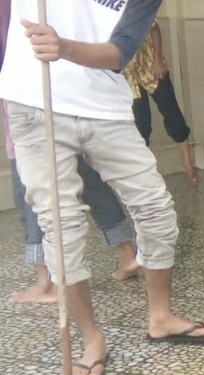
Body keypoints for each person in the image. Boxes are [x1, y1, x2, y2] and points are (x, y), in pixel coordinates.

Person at [0, 0, 204, 375]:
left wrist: (63, 46)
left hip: (106, 108)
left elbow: (119, 52)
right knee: (62, 225)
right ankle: (91, 339)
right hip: (37, 102)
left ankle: (161, 317)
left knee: (155, 209)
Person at [4, 105, 142, 304]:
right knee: (92, 186)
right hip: (69, 125)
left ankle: (48, 283)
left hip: (29, 133)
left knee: (32, 198)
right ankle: (127, 254)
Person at [122, 20, 202, 184]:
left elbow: (154, 28)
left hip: (150, 64)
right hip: (128, 75)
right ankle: (144, 173)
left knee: (172, 113)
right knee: (141, 124)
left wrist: (158, 59)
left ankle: (187, 163)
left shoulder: (133, 7)